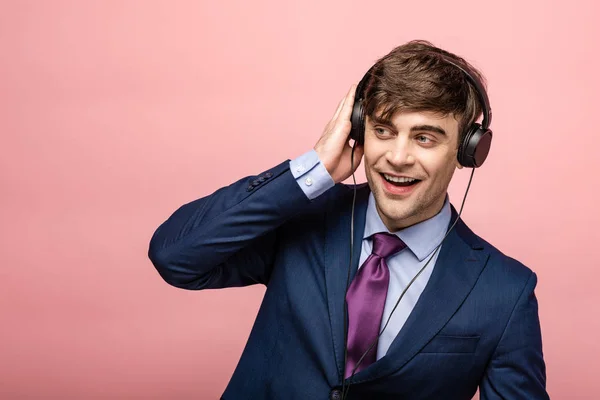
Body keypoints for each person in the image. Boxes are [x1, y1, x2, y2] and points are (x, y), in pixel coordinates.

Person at [148, 40, 549, 400]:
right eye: (383, 130)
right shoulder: (302, 217)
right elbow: (175, 257)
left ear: (467, 152)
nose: (398, 156)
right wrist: (313, 169)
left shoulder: (505, 292)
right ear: (358, 131)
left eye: (424, 138)